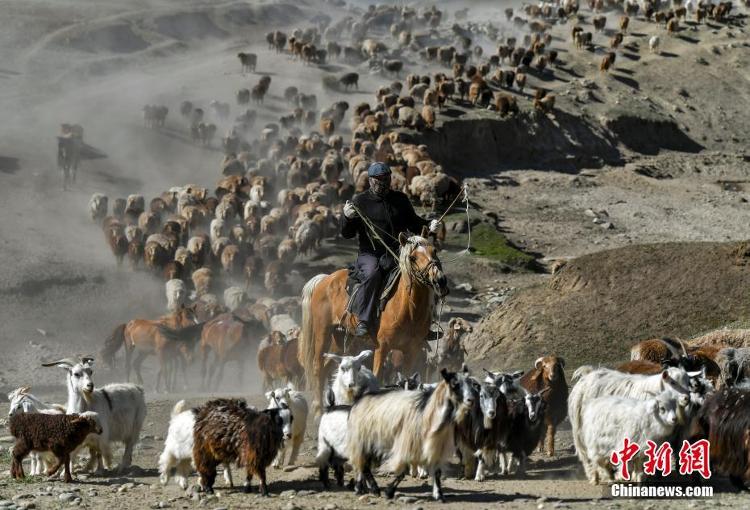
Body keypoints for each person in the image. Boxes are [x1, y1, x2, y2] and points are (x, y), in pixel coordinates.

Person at [341, 162, 441, 337]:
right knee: (372, 274)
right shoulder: (360, 201)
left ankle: (424, 322)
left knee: (426, 272)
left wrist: (429, 225)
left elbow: (415, 223)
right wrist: (347, 218)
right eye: (378, 179)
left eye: (386, 178)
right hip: (370, 254)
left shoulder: (400, 200)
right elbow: (347, 234)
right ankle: (363, 320)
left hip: (398, 252)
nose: (382, 182)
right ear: (370, 180)